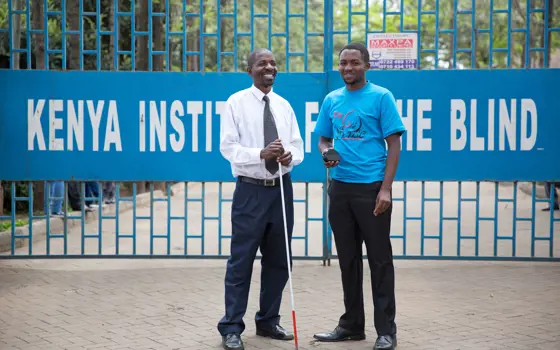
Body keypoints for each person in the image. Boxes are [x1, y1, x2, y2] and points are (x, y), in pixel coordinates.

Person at [311, 42, 406, 350]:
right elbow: (324, 140)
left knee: (380, 261)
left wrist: (386, 189)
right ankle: (351, 325)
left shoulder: (381, 97)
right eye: (343, 63)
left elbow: (394, 145)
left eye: (354, 63)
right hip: (340, 190)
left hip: (372, 189)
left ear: (366, 66)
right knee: (348, 261)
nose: (347, 68)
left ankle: (386, 331)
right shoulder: (332, 99)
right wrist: (327, 153)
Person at [217, 48, 305, 350]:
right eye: (262, 63)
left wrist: (291, 157)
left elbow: (297, 143)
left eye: (273, 63)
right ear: (250, 69)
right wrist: (260, 154)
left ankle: (268, 321)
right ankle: (231, 327)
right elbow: (228, 148)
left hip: (281, 188)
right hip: (250, 190)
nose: (269, 67)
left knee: (280, 259)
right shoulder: (236, 103)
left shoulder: (284, 106)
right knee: (241, 261)